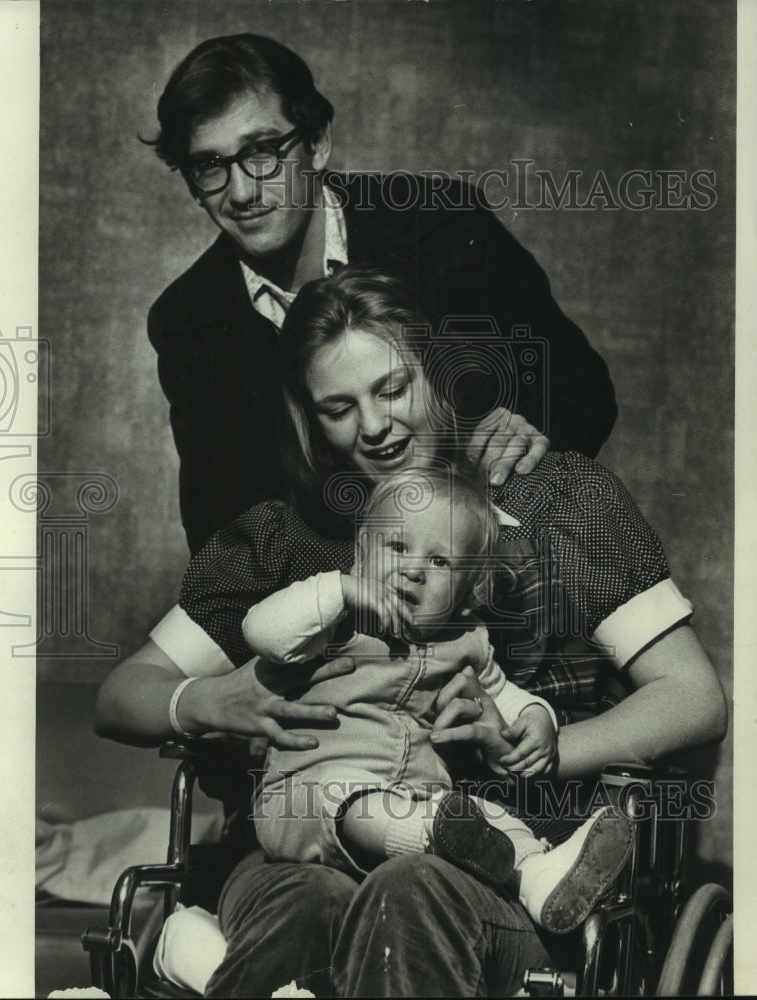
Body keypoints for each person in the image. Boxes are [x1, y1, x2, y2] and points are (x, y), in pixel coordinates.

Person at [96, 268, 726, 997]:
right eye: (338, 407)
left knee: (407, 885)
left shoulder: (557, 501)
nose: (373, 426)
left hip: (499, 875)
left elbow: (692, 697)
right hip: (299, 853)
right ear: (309, 420)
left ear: (439, 375)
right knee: (308, 901)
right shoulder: (285, 543)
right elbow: (121, 698)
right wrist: (206, 701)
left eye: (392, 389)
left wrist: (535, 751)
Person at [145, 32, 618, 554]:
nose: (241, 192)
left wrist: (526, 431)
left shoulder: (441, 225)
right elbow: (224, 528)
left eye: (261, 152)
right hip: (335, 593)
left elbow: (580, 385)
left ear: (318, 142)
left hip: (498, 545)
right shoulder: (187, 319)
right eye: (210, 165)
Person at [245, 467, 635, 937]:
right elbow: (263, 633)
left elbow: (505, 695)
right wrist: (337, 590)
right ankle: (432, 835)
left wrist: (537, 718)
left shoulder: (466, 641)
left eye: (440, 563)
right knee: (346, 790)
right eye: (397, 547)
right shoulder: (333, 622)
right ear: (361, 552)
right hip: (305, 796)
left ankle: (537, 875)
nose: (413, 569)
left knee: (489, 815)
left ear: (468, 594)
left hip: (423, 799)